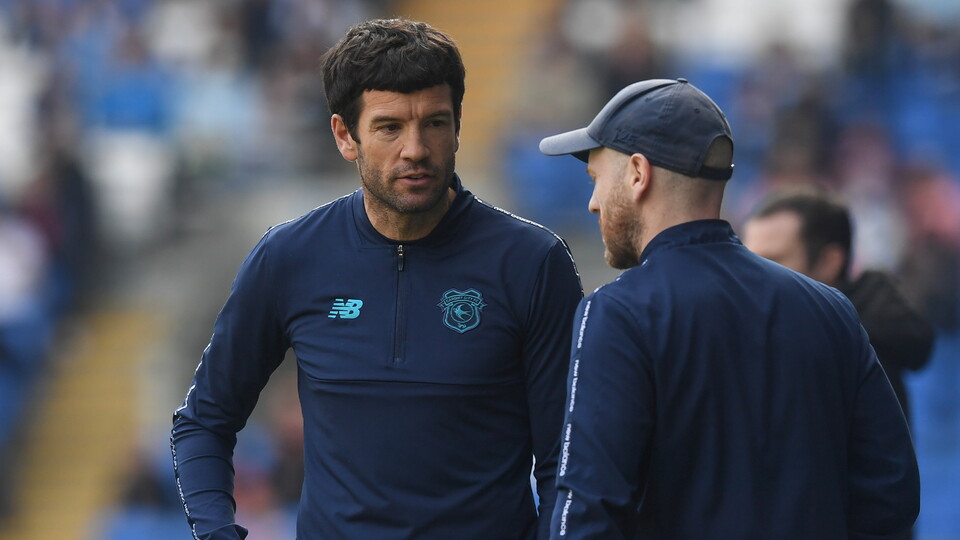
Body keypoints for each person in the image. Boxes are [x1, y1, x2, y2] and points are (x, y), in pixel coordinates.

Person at [171, 18, 583, 540]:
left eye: (434, 123)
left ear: (457, 124)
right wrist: (215, 531)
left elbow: (566, 465)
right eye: (390, 127)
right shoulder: (290, 257)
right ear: (346, 136)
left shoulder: (532, 263)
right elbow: (203, 422)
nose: (415, 148)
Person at [538, 78, 919, 539]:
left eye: (597, 180)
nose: (593, 203)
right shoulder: (831, 309)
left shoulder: (617, 313)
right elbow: (892, 495)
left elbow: (586, 512)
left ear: (638, 174)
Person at [741, 186, 935, 427]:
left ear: (829, 262)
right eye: (747, 261)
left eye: (772, 261)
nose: (751, 276)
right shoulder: (743, 329)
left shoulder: (864, 346)